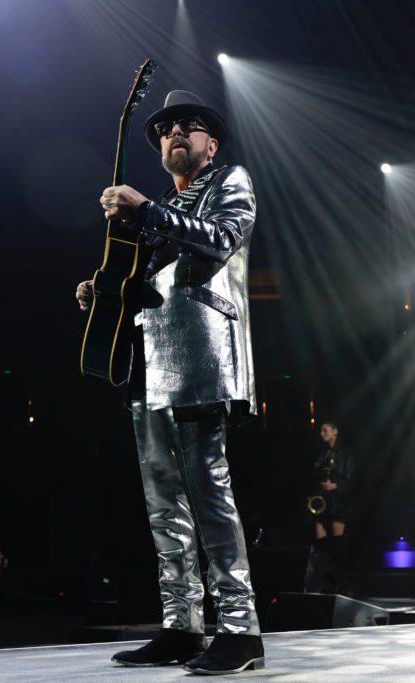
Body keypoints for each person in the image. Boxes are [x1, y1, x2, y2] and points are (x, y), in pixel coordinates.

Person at [76, 90, 263, 675]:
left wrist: (146, 211)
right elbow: (150, 279)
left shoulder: (229, 181)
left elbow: (221, 239)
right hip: (149, 362)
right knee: (163, 503)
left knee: (209, 493)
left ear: (212, 143)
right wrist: (104, 291)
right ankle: (182, 625)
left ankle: (241, 631)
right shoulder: (154, 208)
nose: (174, 132)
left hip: (202, 358)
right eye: (165, 129)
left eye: (189, 125)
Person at [303, 421, 356, 593]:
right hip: (322, 500)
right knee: (321, 544)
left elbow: (350, 479)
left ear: (335, 431)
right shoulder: (323, 454)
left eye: (325, 430)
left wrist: (335, 485)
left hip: (337, 501)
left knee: (338, 544)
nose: (321, 434)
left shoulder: (345, 454)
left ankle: (343, 583)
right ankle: (322, 582)